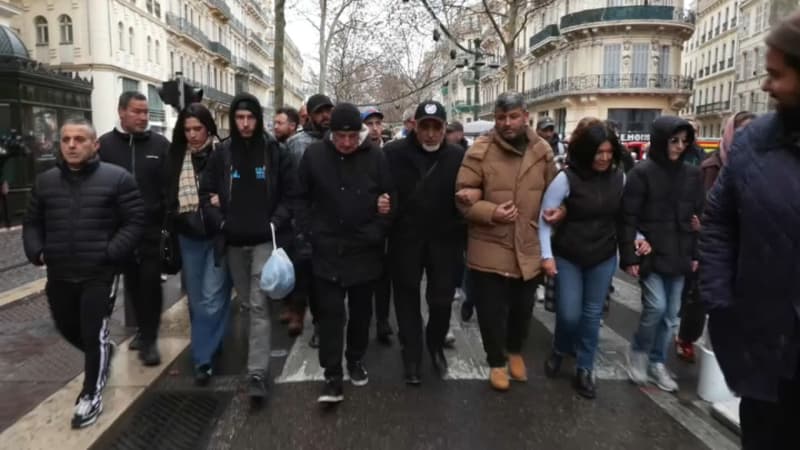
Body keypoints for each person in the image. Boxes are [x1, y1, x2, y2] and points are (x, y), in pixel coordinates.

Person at [700, 13, 800, 448]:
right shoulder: (754, 142)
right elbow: (719, 223)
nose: (765, 85)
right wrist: (722, 304)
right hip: (766, 360)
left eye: (776, 74)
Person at [23, 118, 145, 428]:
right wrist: (37, 251)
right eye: (66, 139)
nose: (72, 145)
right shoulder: (45, 181)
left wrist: (110, 252)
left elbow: (134, 221)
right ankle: (102, 351)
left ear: (95, 145)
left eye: (79, 139)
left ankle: (91, 396)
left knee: (93, 332)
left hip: (99, 274)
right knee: (66, 326)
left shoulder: (118, 179)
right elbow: (32, 222)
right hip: (59, 273)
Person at [455, 92, 557, 391]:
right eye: (501, 117)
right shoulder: (480, 150)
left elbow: (555, 191)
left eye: (513, 116)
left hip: (528, 242)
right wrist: (491, 212)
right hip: (489, 242)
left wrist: (559, 211)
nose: (507, 123)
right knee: (490, 310)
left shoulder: (542, 150)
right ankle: (496, 362)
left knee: (523, 308)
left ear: (526, 116)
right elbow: (462, 197)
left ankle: (514, 350)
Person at [294, 103, 393, 404]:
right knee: (331, 315)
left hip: (364, 250)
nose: (347, 143)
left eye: (352, 136)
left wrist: (377, 230)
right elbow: (300, 198)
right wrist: (310, 232)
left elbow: (390, 198)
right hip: (327, 250)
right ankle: (332, 375)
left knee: (361, 313)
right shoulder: (314, 156)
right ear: (331, 134)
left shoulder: (376, 157)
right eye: (340, 136)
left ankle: (355, 358)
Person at [199, 93, 294, 402]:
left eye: (250, 117)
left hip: (265, 240)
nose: (244, 123)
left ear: (258, 118)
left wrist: (275, 223)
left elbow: (290, 194)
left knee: (258, 304)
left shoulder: (274, 151)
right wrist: (221, 223)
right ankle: (253, 361)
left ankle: (256, 373)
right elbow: (206, 193)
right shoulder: (222, 154)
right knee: (246, 304)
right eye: (239, 118)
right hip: (233, 242)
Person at [539, 122, 632, 399]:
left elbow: (625, 217)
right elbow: (544, 218)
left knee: (592, 315)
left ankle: (584, 368)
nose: (604, 157)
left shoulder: (619, 178)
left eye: (608, 152)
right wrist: (546, 255)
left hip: (603, 256)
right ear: (586, 151)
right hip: (569, 255)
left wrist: (634, 242)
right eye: (598, 152)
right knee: (569, 314)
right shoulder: (566, 178)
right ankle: (560, 348)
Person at [384, 101, 465, 384]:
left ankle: (434, 343)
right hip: (405, 240)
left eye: (436, 127)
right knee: (406, 298)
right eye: (425, 127)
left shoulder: (457, 156)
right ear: (414, 127)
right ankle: (412, 354)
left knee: (442, 300)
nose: (430, 134)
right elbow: (381, 187)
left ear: (444, 128)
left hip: (445, 241)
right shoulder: (393, 153)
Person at [621, 116, 704, 393]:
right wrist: (631, 254)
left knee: (670, 315)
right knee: (656, 307)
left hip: (680, 253)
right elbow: (628, 216)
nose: (679, 146)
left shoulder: (693, 175)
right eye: (674, 140)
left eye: (684, 141)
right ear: (661, 141)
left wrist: (696, 252)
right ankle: (639, 352)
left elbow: (698, 215)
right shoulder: (641, 173)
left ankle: (657, 362)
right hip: (652, 254)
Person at [674, 110, 755, 363]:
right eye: (741, 132)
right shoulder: (710, 167)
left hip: (746, 242)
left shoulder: (761, 166)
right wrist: (702, 225)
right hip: (711, 241)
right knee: (702, 294)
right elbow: (697, 203)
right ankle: (687, 337)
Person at [98, 91, 170, 366]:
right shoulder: (104, 146)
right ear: (121, 112)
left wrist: (164, 219)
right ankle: (141, 329)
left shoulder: (160, 145)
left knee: (150, 283)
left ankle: (149, 339)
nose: (142, 117)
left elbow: (169, 186)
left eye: (145, 112)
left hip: (151, 231)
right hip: (117, 232)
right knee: (131, 284)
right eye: (136, 112)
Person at [166, 103, 231, 386]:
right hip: (188, 236)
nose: (192, 135)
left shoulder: (224, 153)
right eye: (187, 129)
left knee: (212, 296)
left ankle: (202, 359)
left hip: (219, 235)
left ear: (208, 128)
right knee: (196, 300)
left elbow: (240, 188)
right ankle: (212, 341)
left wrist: (224, 199)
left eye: (198, 128)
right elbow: (167, 195)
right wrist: (175, 216)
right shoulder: (175, 157)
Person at [285, 94, 334, 343]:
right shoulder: (295, 144)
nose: (325, 116)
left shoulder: (339, 139)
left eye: (328, 111)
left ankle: (326, 322)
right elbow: (288, 182)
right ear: (310, 116)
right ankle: (314, 321)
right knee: (308, 274)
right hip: (304, 221)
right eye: (319, 112)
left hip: (332, 220)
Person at [360, 106, 393, 344]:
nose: (374, 128)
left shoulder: (391, 152)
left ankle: (383, 320)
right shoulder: (355, 152)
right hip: (362, 226)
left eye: (377, 123)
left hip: (386, 226)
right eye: (369, 124)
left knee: (384, 276)